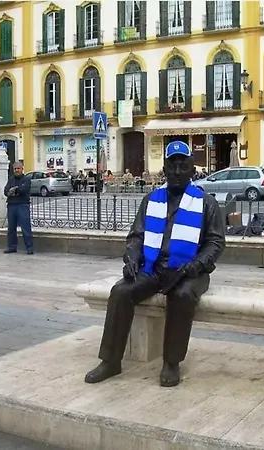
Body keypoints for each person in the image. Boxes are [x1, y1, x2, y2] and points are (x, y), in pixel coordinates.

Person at [85, 141, 225, 387]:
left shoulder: (206, 203)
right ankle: (111, 360)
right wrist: (131, 258)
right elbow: (136, 236)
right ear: (164, 170)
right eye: (172, 166)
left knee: (181, 295)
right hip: (153, 267)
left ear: (193, 170)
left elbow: (215, 241)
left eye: (183, 166)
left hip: (190, 271)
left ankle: (171, 362)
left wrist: (197, 264)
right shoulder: (151, 200)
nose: (177, 172)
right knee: (120, 291)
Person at [3, 161, 34, 255]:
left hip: (22, 205)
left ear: (22, 169)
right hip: (11, 205)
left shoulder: (26, 179)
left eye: (18, 168)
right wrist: (14, 190)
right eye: (15, 169)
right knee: (11, 228)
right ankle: (12, 247)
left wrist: (14, 190)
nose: (17, 170)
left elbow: (24, 189)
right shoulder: (11, 180)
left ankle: (29, 247)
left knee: (25, 227)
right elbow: (6, 191)